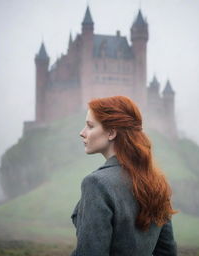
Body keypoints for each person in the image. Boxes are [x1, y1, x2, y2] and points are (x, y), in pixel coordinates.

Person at [70, 95, 177, 256]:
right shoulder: (157, 182)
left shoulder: (96, 184)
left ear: (111, 133)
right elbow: (167, 252)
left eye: (90, 126)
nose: (82, 133)